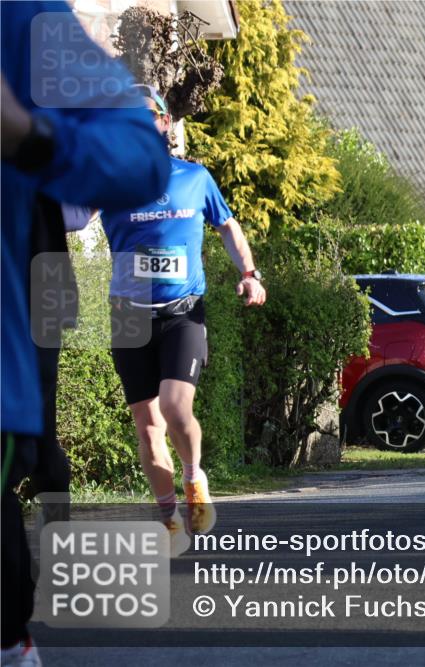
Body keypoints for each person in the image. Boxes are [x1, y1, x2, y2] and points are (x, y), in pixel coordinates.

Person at [2, 3, 171, 662]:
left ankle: (56, 519)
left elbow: (89, 203)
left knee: (43, 436)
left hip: (48, 286)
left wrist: (29, 136)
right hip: (88, 289)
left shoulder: (21, 21)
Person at [102, 86, 266, 550]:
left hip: (182, 312)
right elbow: (66, 214)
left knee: (175, 407)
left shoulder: (194, 178)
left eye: (146, 117)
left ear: (165, 123)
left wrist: (249, 273)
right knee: (147, 423)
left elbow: (227, 225)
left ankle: (195, 479)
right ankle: (168, 515)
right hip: (128, 314)